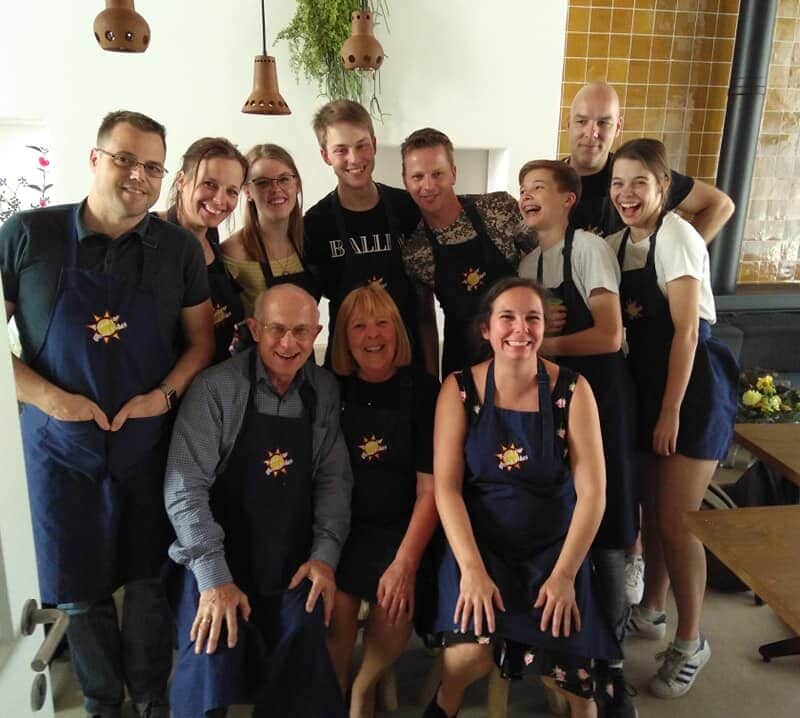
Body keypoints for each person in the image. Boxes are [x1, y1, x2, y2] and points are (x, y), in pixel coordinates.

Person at [0, 110, 215, 718]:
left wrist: (163, 395)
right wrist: (50, 398)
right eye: (125, 159)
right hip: (59, 448)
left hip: (149, 445)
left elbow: (200, 343)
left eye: (152, 166)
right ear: (95, 159)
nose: (138, 175)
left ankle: (149, 699)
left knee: (149, 579)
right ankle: (100, 702)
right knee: (79, 587)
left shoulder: (178, 250)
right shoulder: (28, 234)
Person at [427, 277, 621, 718]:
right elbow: (447, 489)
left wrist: (565, 575)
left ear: (544, 328)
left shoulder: (573, 390)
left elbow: (593, 494)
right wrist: (471, 570)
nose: (521, 329)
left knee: (576, 680)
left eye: (532, 318)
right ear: (486, 329)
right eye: (507, 318)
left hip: (554, 550)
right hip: (479, 546)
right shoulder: (459, 389)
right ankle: (444, 703)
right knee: (468, 656)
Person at [164, 284, 352, 718]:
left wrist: (324, 557)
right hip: (215, 557)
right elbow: (184, 487)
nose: (288, 343)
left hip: (292, 561)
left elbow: (333, 481)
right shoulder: (216, 388)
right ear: (254, 329)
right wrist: (214, 579)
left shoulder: (323, 390)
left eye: (301, 331)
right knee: (210, 649)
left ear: (317, 333)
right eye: (276, 329)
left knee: (303, 648)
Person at [606, 139, 738, 698]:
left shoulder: (679, 236)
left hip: (691, 389)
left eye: (639, 182)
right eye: (618, 183)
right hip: (645, 384)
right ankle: (652, 608)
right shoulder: (616, 244)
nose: (626, 194)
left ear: (664, 187)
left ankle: (691, 641)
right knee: (651, 511)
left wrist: (669, 412)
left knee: (678, 522)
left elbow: (686, 334)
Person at [517, 160, 638, 718]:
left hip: (603, 400)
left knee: (606, 529)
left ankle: (612, 665)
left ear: (568, 199)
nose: (527, 196)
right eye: (523, 189)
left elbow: (610, 334)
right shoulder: (527, 263)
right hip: (552, 403)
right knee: (566, 520)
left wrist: (545, 348)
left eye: (538, 187)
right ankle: (567, 649)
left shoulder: (588, 249)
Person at [325, 284, 440, 717]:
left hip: (404, 529)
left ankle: (364, 686)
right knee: (336, 610)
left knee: (393, 605)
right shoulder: (331, 388)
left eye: (382, 323)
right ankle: (336, 693)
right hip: (345, 527)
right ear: (343, 338)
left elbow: (430, 491)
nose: (372, 335)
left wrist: (405, 564)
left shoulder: (425, 391)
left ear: (398, 330)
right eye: (358, 326)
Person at [304, 100, 433, 369]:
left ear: (374, 144)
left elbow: (424, 304)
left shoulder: (408, 208)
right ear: (325, 156)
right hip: (347, 368)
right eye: (341, 150)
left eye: (361, 145)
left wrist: (432, 373)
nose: (354, 158)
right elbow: (306, 311)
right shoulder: (315, 224)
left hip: (409, 364)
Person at [400, 128, 533, 378]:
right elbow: (426, 322)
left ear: (453, 173)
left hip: (520, 354)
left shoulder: (498, 209)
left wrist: (550, 309)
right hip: (463, 364)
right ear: (405, 182)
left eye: (437, 174)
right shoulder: (415, 251)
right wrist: (433, 380)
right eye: (417, 177)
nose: (428, 186)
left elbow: (546, 257)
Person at [566, 82, 734, 243]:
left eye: (603, 123)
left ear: (617, 127)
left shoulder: (640, 172)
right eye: (581, 121)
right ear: (568, 123)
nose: (591, 133)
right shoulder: (552, 180)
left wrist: (683, 252)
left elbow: (720, 205)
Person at [162, 137, 248, 364]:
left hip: (220, 377)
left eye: (232, 191)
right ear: (181, 181)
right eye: (209, 184)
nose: (220, 200)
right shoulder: (152, 238)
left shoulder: (212, 236)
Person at [222, 143, 319, 317]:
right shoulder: (232, 252)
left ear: (297, 184)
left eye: (284, 179)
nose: (275, 189)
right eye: (263, 183)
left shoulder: (310, 240)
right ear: (247, 191)